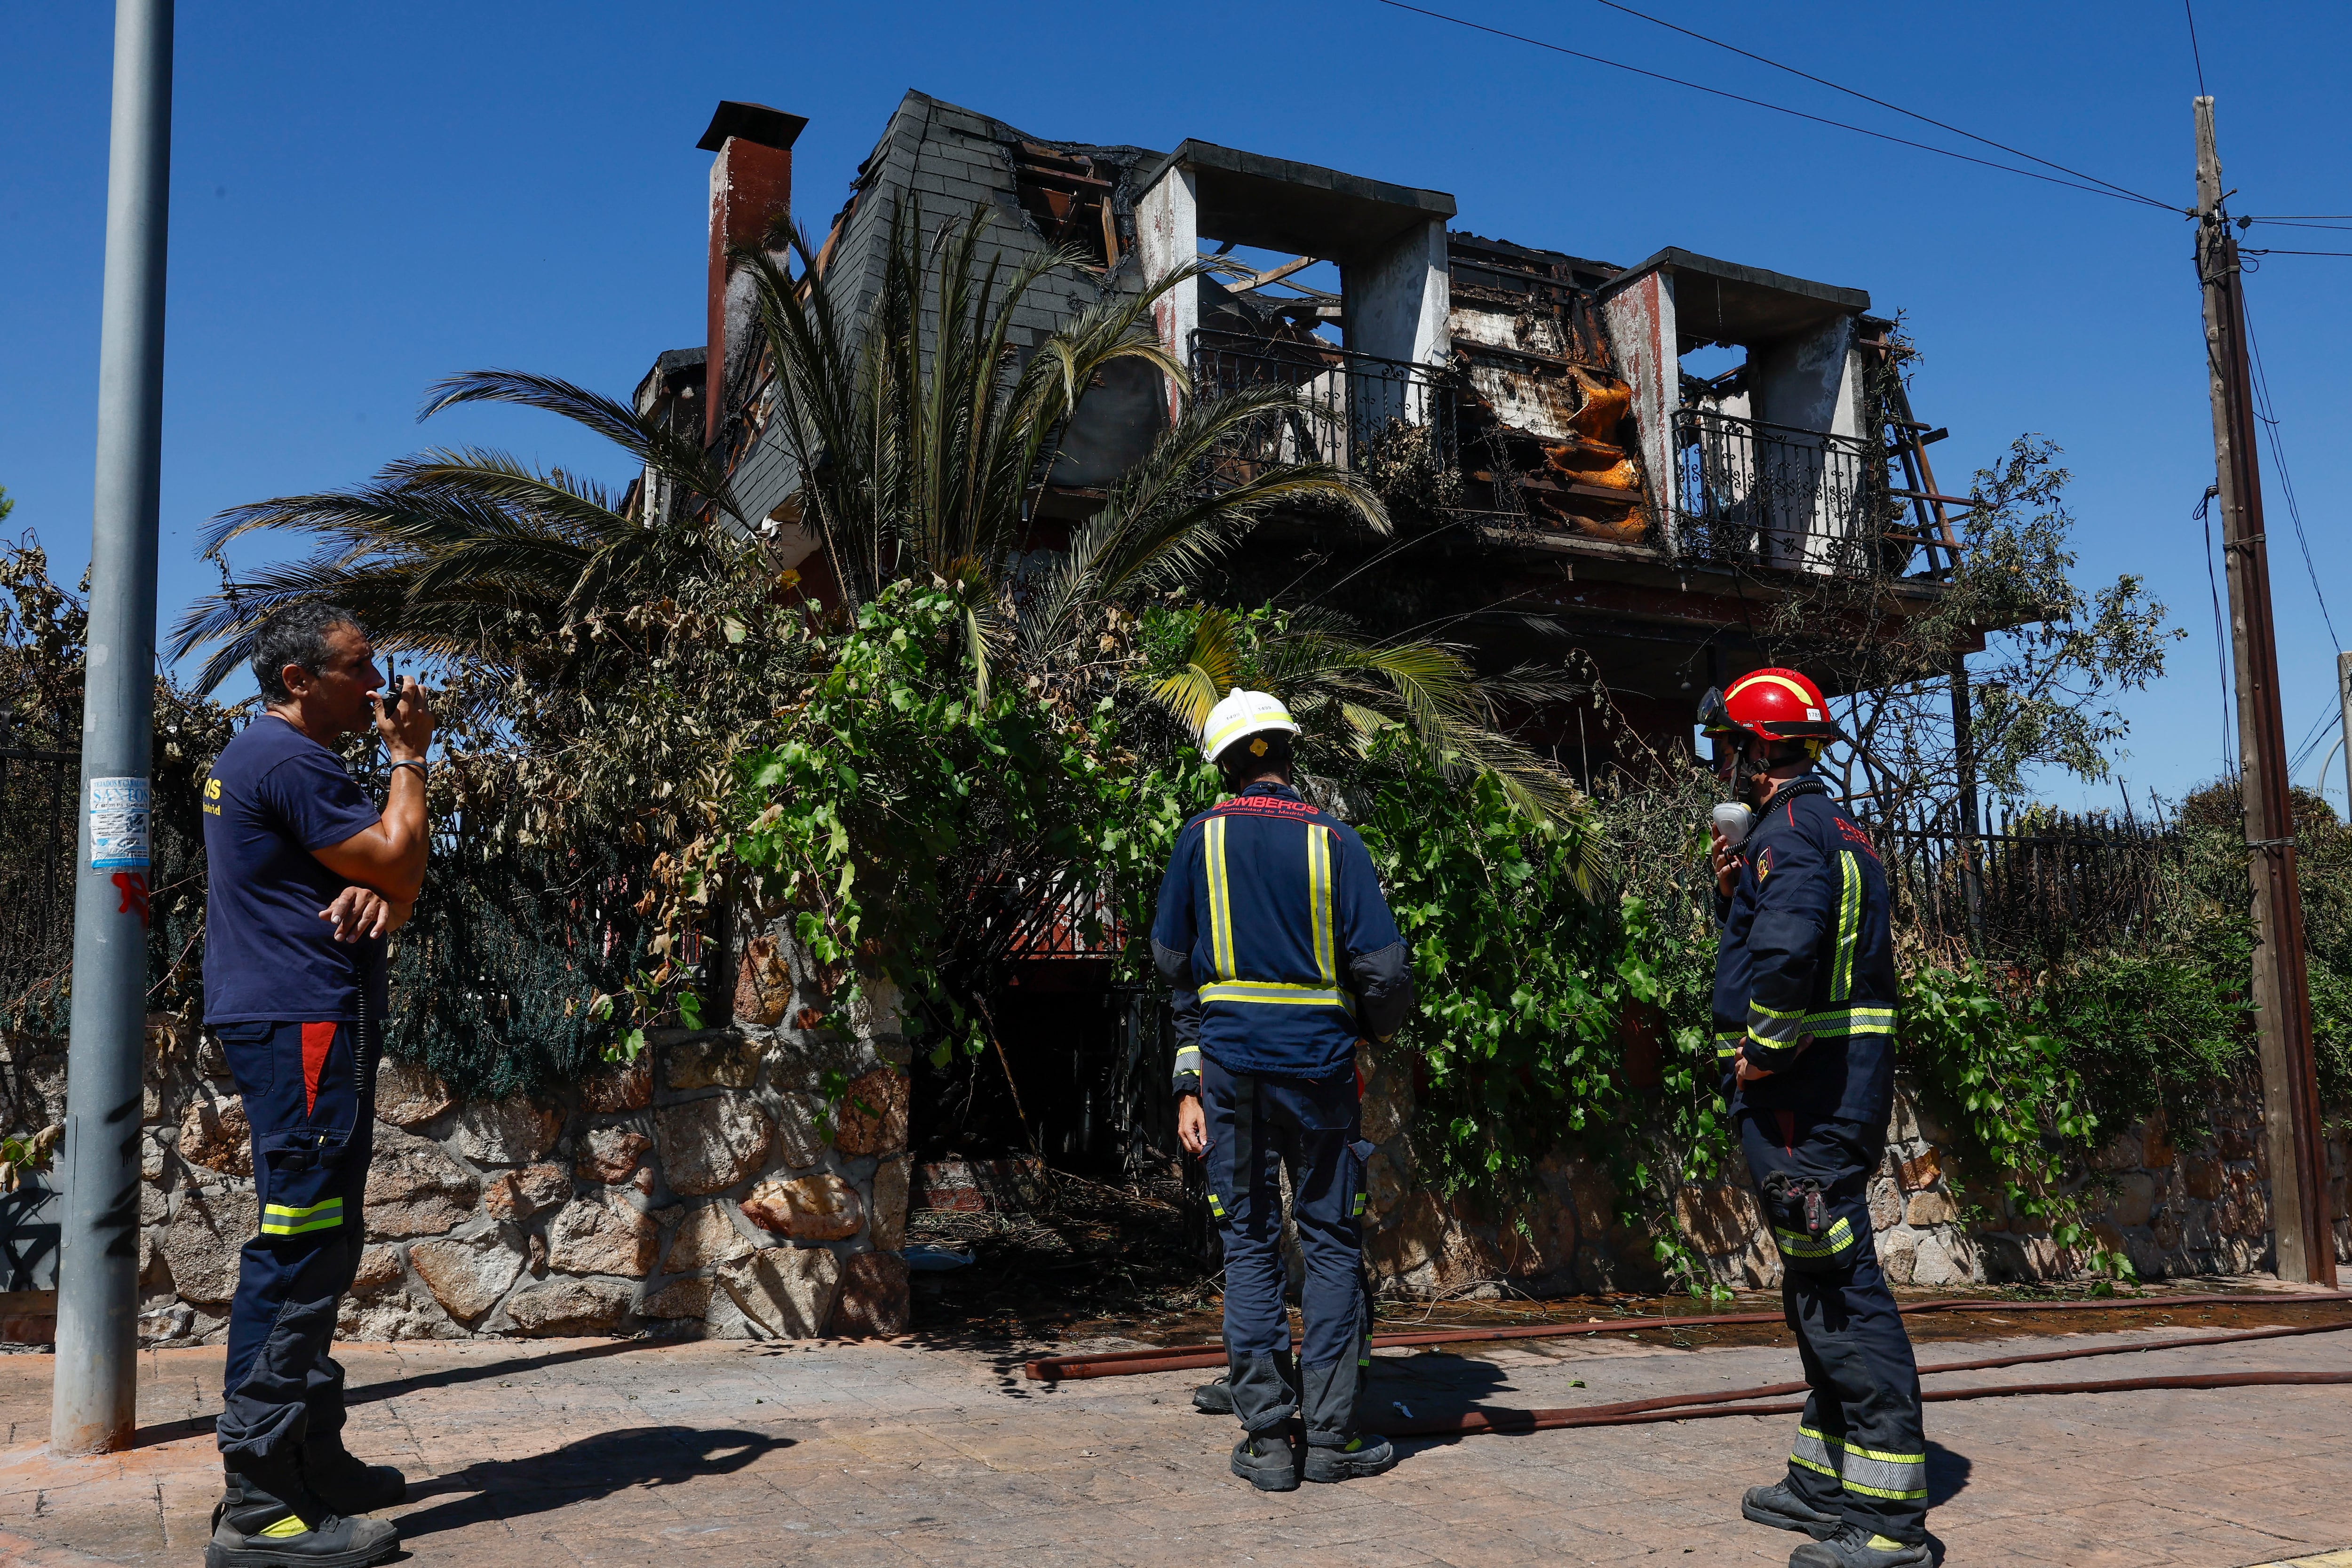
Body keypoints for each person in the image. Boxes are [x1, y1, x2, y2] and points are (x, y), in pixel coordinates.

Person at [201, 602, 431, 1568]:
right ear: (299, 679)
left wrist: (388, 880)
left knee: (324, 1238)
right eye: (359, 669)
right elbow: (399, 854)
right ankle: (259, 1502)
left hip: (296, 1016)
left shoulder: (256, 758)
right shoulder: (291, 760)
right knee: (298, 1244)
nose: (378, 688)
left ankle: (311, 1454)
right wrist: (411, 759)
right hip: (302, 1021)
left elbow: (388, 876)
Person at [1151, 689, 1414, 1491]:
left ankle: (1268, 1441)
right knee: (1332, 1240)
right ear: (1288, 755)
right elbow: (1384, 971)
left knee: (1249, 1238)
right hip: (1322, 1070)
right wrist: (1372, 1029)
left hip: (1231, 1072)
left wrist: (1190, 1076)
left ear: (1227, 764)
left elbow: (1172, 961)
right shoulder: (1337, 842)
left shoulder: (1200, 839)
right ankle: (1331, 1437)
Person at [1701, 668, 1929, 1568]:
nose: (1719, 760)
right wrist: (1731, 896)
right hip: (1833, 1093)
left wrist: (1760, 1048)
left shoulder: (1787, 836)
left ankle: (1889, 1525)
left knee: (1841, 1287)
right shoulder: (1832, 828)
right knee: (1815, 1283)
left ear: (1758, 752)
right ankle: (1825, 1481)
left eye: (1727, 745)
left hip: (1805, 1104)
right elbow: (1806, 941)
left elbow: (1792, 955)